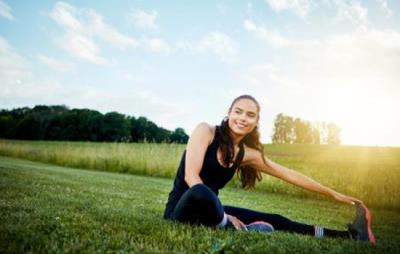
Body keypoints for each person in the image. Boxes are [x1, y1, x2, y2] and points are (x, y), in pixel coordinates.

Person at [163, 94, 375, 244]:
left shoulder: (248, 154)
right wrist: (226, 215)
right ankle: (226, 224)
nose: (242, 118)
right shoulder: (206, 131)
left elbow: (289, 174)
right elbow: (191, 177)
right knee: (200, 192)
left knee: (277, 220)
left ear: (255, 122)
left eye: (250, 115)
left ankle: (348, 236)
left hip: (211, 213)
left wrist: (332, 193)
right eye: (238, 112)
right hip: (181, 210)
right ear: (229, 113)